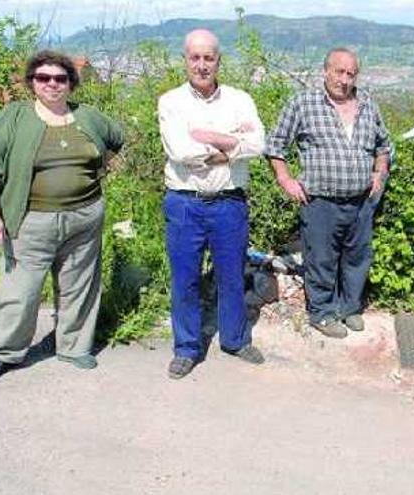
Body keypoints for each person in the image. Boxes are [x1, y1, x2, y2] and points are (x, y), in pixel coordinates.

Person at [0, 50, 124, 383]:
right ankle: (4, 352)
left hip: (85, 217)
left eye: (60, 78)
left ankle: (73, 346)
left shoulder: (89, 117)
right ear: (32, 82)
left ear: (71, 83)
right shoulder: (14, 118)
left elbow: (116, 139)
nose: (52, 84)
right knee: (20, 290)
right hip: (30, 221)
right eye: (44, 78)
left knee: (79, 285)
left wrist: (101, 168)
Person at [158, 29, 266, 379]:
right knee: (185, 279)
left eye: (209, 58)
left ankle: (234, 340)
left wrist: (214, 140)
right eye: (195, 57)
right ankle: (187, 348)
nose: (202, 65)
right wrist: (232, 146)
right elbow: (180, 151)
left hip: (229, 204)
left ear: (219, 60)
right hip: (185, 204)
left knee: (232, 276)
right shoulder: (170, 101)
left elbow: (258, 145)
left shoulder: (240, 99)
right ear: (185, 59)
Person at [265, 47, 391, 338]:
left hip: (360, 202)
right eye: (339, 71)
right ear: (326, 71)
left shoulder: (367, 104)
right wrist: (285, 179)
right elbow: (275, 144)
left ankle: (349, 309)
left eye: (351, 73)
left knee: (357, 259)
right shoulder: (304, 103)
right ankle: (321, 313)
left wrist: (378, 173)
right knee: (321, 258)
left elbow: (383, 145)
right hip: (320, 202)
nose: (344, 79)